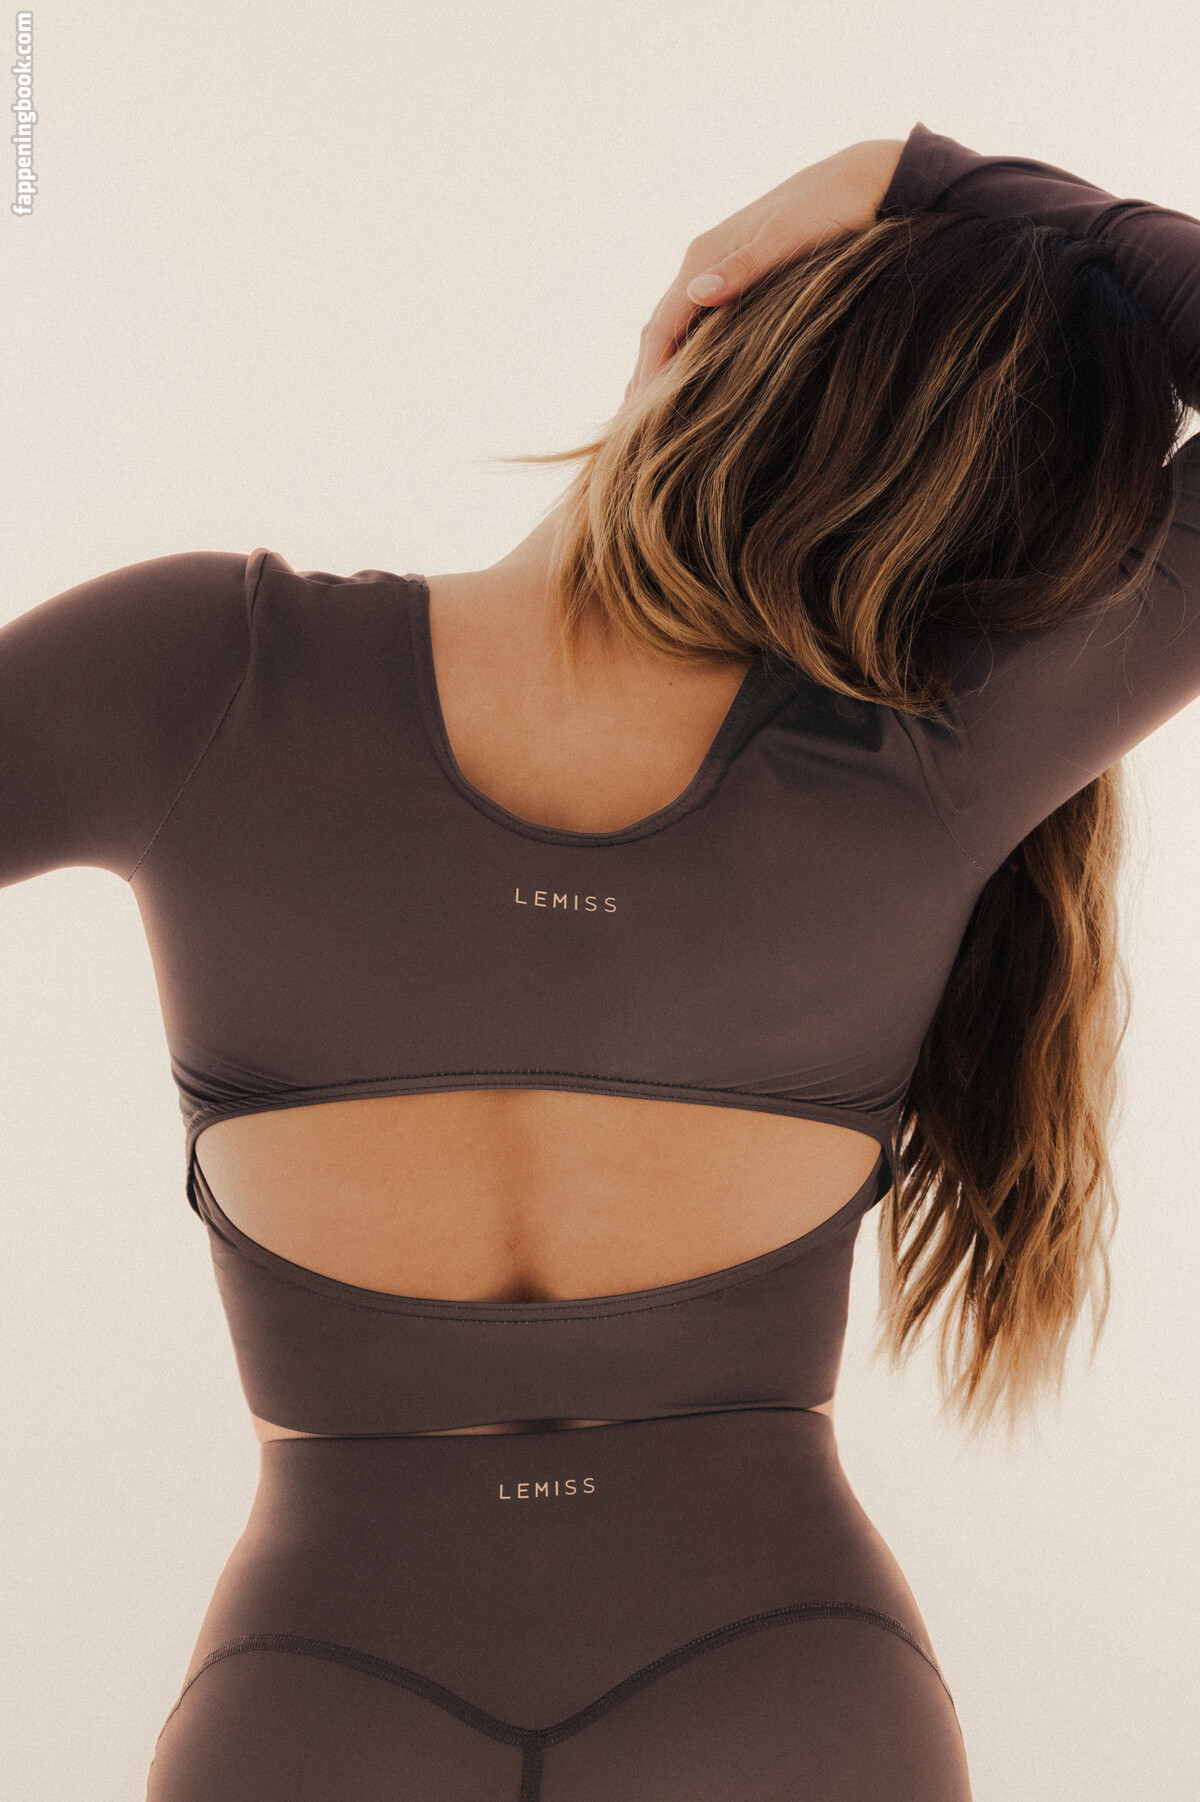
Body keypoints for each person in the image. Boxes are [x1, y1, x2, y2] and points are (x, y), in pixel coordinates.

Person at [3, 121, 1199, 1800]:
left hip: (323, 1701)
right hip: (790, 1693)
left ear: (710, 333)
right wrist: (949, 178)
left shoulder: (208, 678)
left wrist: (890, 185)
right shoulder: (942, 764)